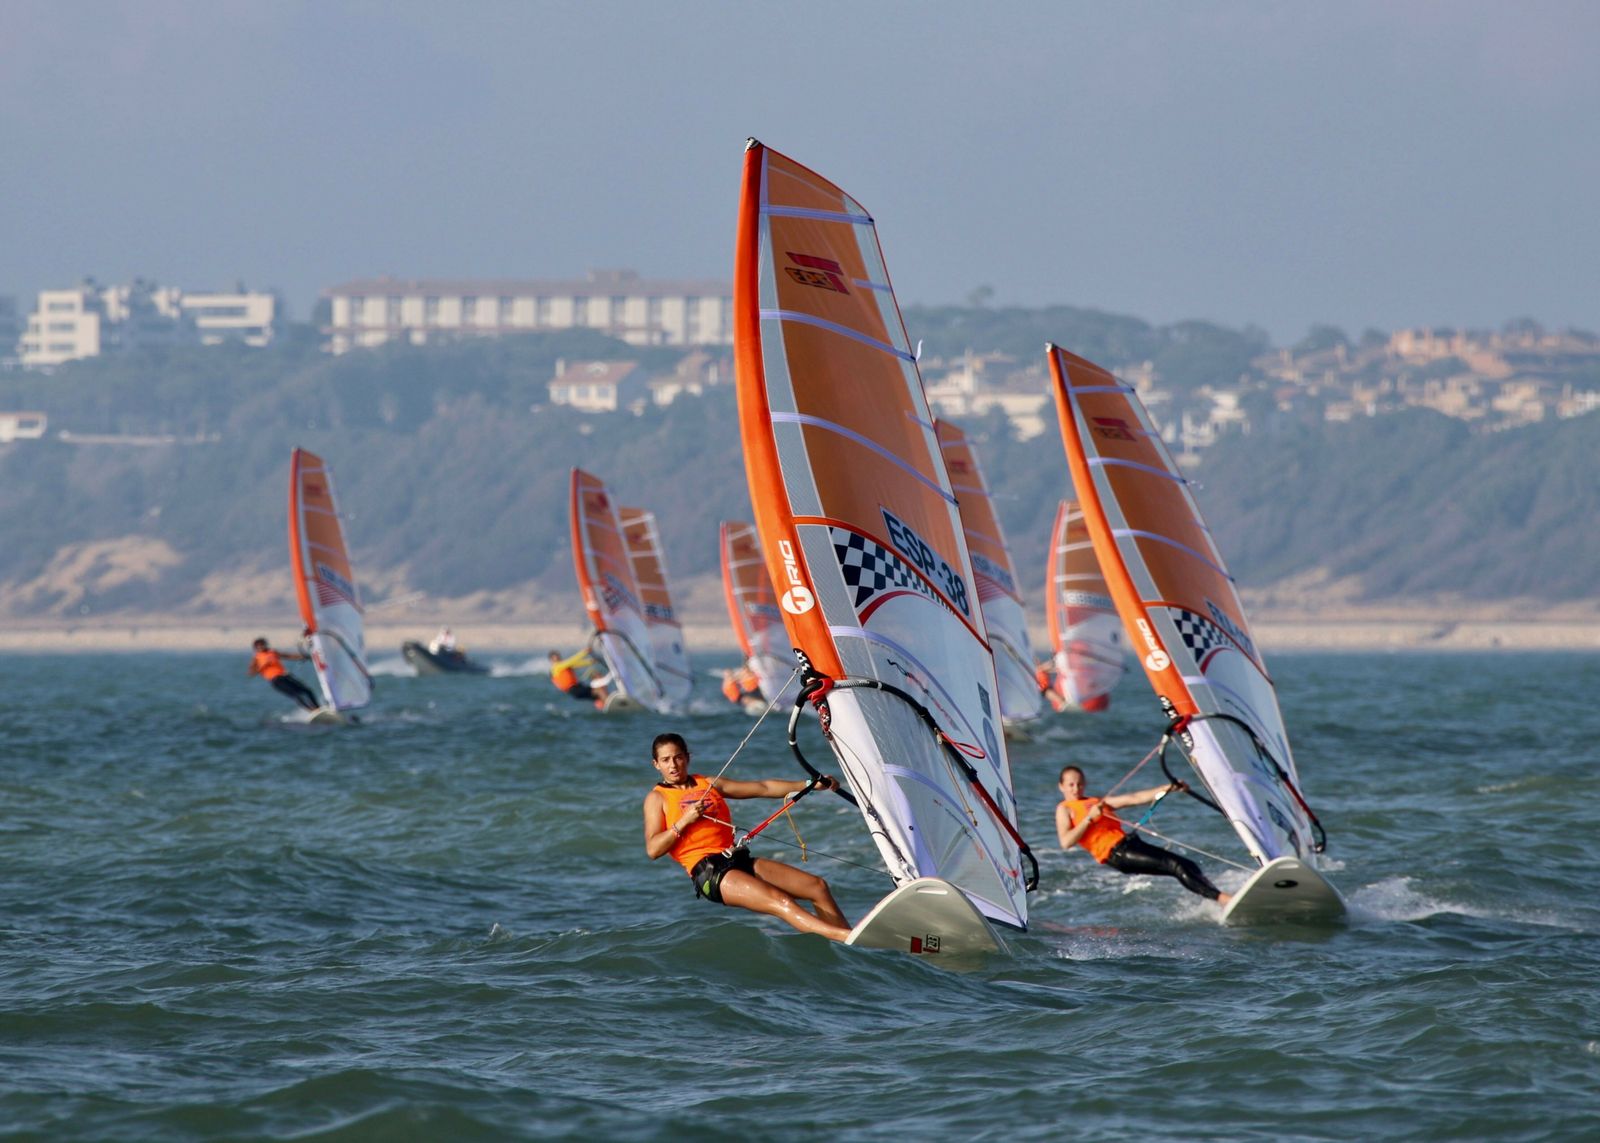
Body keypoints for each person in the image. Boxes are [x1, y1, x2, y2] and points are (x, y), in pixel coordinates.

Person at [643, 732, 852, 941]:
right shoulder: (657, 798)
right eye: (665, 760)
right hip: (710, 872)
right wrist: (684, 821)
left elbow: (763, 788)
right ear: (656, 764)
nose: (673, 765)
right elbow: (653, 849)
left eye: (678, 757)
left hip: (736, 859)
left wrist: (809, 784)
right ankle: (846, 936)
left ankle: (849, 947)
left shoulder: (708, 783)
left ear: (687, 757)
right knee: (781, 902)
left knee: (817, 886)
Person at [1055, 765, 1231, 905]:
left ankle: (1216, 898)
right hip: (1116, 854)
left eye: (1079, 783)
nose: (1076, 788)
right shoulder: (1064, 809)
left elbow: (1134, 797)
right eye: (1071, 784)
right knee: (1176, 866)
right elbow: (1066, 842)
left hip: (1130, 844)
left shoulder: (1095, 802)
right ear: (1061, 786)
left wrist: (1167, 788)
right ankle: (1223, 899)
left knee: (1188, 864)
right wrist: (1089, 819)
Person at [248, 637, 321, 711]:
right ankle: (311, 710)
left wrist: (304, 657)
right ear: (256, 648)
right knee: (296, 695)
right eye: (258, 646)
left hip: (285, 676)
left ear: (265, 644)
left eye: (262, 645)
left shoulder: (272, 652)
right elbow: (251, 673)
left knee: (307, 691)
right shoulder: (256, 659)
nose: (261, 647)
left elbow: (288, 656)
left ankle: (318, 708)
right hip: (276, 681)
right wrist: (263, 666)